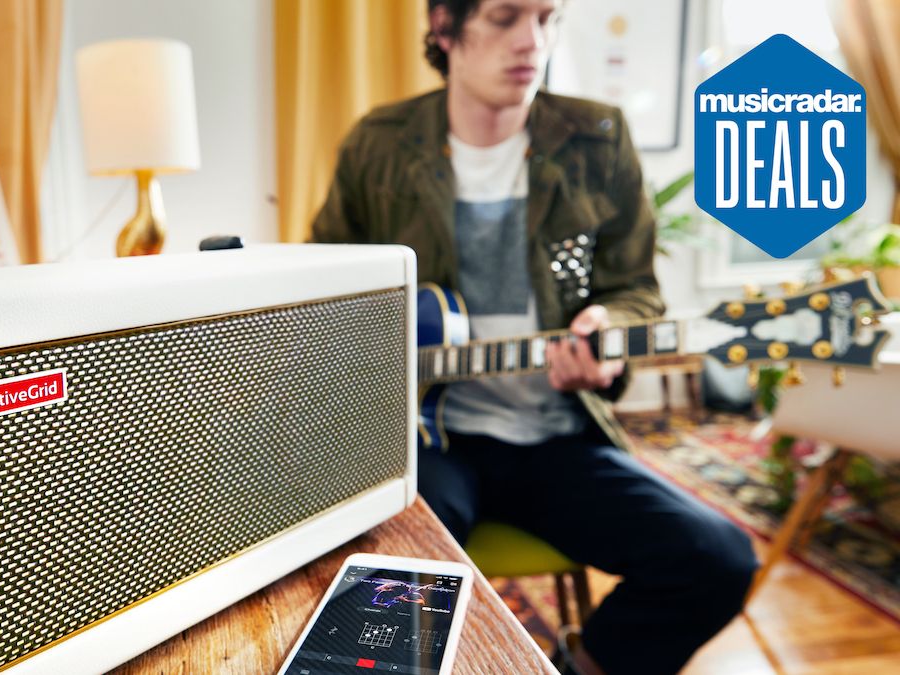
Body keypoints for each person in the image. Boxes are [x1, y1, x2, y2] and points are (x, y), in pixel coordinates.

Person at [309, 1, 759, 673]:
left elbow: (634, 289)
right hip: (429, 439)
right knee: (386, 586)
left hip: (555, 437)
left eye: (547, 17)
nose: (533, 41)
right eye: (504, 16)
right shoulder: (379, 143)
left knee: (718, 557)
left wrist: (610, 335)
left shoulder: (597, 138)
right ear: (444, 25)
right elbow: (324, 281)